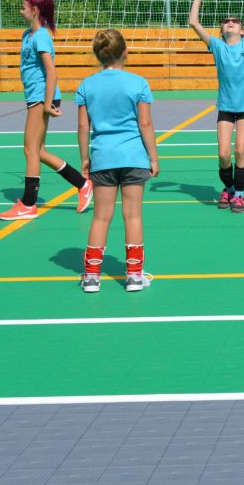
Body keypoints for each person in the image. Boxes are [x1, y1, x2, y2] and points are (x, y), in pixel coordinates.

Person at [0, 0, 93, 221]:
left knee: (30, 149)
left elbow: (51, 72)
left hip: (42, 97)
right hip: (36, 96)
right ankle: (82, 184)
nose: (20, 11)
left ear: (35, 11)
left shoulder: (41, 36)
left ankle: (29, 204)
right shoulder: (27, 34)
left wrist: (48, 103)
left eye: (24, 7)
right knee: (38, 151)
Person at [76, 29, 158, 293]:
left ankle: (91, 277)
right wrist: (153, 157)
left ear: (98, 54)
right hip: (133, 157)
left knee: (101, 217)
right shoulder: (138, 83)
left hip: (103, 157)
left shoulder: (86, 85)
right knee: (132, 215)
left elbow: (83, 127)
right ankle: (134, 276)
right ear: (125, 52)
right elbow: (145, 124)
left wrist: (85, 158)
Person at [189, 0, 244, 213]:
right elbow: (193, 22)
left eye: (235, 21)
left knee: (240, 150)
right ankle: (229, 188)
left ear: (242, 30)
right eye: (226, 21)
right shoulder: (217, 46)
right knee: (223, 154)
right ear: (221, 31)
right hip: (226, 107)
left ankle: (239, 194)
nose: (230, 22)